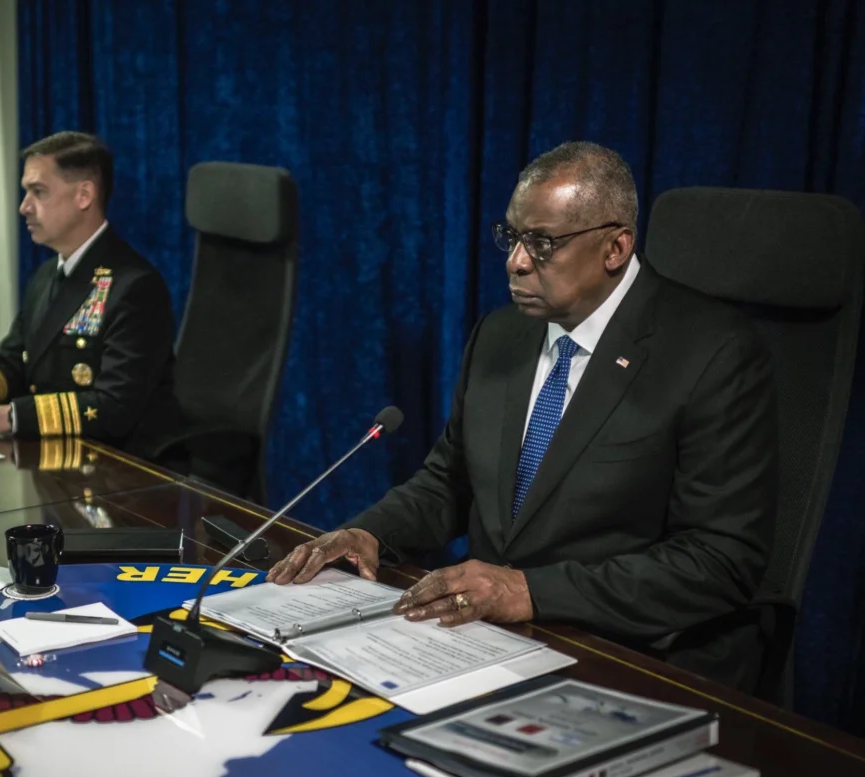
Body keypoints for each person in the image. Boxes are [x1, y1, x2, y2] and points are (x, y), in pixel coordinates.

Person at [268, 141, 778, 691]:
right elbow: (451, 481)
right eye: (511, 237)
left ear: (615, 247)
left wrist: (529, 591)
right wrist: (369, 533)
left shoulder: (712, 354)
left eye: (542, 243)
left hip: (620, 653)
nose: (516, 261)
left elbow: (719, 560)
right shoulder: (500, 334)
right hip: (480, 639)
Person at [0, 131, 178, 456]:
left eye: (38, 192)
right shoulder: (45, 275)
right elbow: (14, 364)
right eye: (25, 192)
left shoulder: (134, 286)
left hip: (122, 467)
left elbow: (114, 408)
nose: (24, 207)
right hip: (57, 456)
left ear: (84, 196)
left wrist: (5, 417)